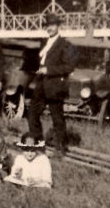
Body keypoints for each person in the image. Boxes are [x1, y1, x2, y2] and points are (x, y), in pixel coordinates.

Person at [27, 13, 76, 155]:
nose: (50, 28)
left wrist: (49, 70)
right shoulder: (44, 43)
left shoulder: (65, 44)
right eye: (48, 25)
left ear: (58, 27)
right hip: (41, 84)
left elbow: (69, 67)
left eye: (53, 25)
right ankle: (38, 144)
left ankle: (61, 148)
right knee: (32, 114)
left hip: (55, 86)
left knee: (57, 118)